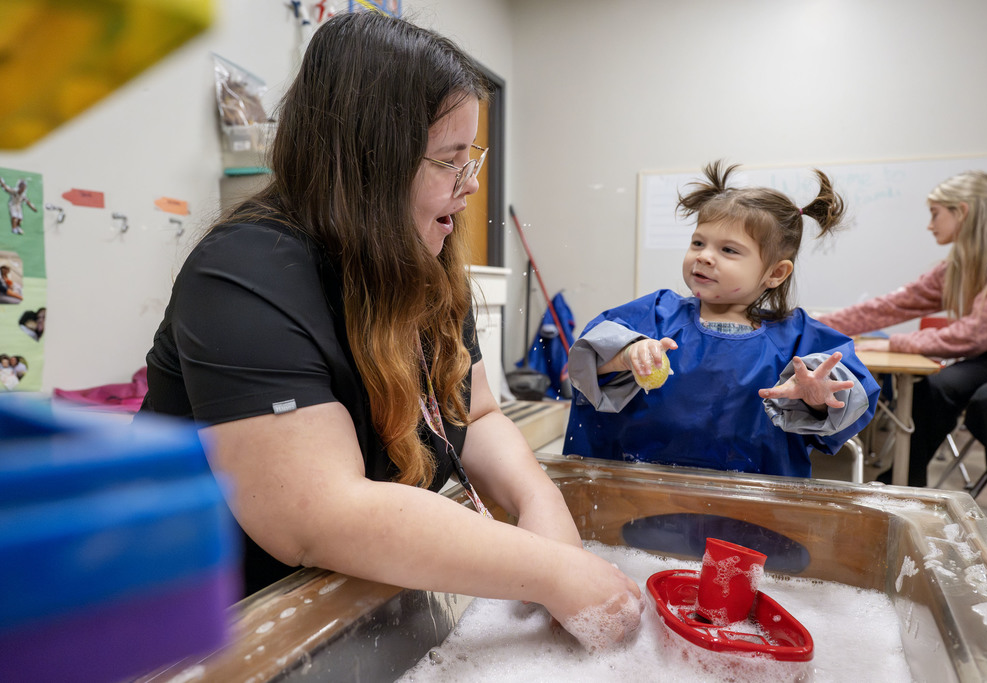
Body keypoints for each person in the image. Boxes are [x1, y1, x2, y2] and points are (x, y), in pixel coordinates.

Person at [138, 12, 640, 650]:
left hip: (346, 601)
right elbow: (317, 516)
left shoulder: (424, 261)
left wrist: (537, 499)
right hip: (214, 624)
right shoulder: (245, 273)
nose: (471, 185)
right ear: (368, 161)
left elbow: (476, 413)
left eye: (473, 157)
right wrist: (554, 572)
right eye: (449, 162)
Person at [564, 161, 879, 477]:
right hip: (639, 492)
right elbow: (587, 359)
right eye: (698, 243)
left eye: (728, 250)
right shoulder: (657, 314)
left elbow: (853, 392)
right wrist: (626, 354)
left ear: (775, 273)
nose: (703, 256)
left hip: (754, 505)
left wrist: (818, 396)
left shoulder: (797, 338)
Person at [817, 170, 987, 550]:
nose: (929, 225)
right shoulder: (967, 259)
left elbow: (979, 332)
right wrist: (815, 325)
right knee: (937, 388)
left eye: (935, 214)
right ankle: (908, 488)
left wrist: (897, 342)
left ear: (962, 212)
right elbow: (895, 304)